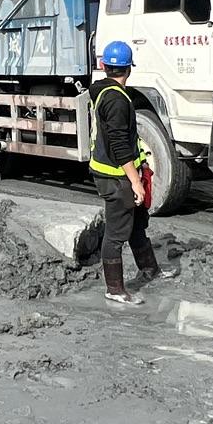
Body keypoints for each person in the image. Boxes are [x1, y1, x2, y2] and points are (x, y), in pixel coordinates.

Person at [88, 40, 168, 306]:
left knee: (135, 224)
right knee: (115, 233)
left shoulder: (104, 92)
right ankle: (114, 289)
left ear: (103, 66)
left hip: (114, 172)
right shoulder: (116, 100)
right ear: (128, 69)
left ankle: (150, 269)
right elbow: (120, 145)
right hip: (115, 176)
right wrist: (136, 181)